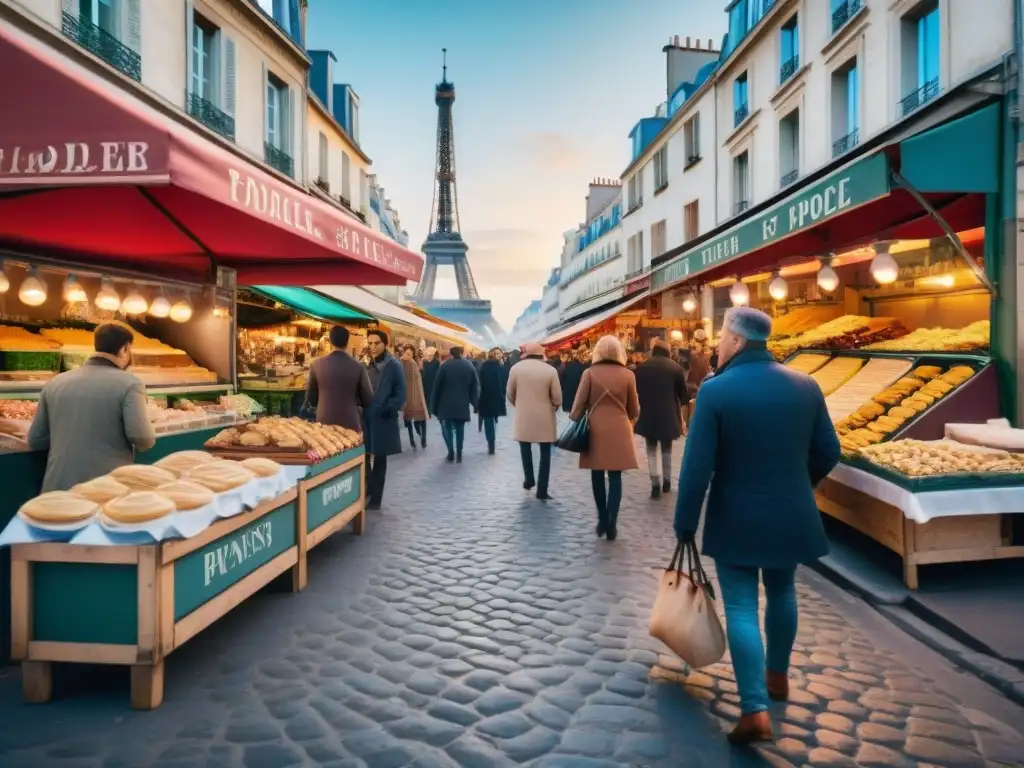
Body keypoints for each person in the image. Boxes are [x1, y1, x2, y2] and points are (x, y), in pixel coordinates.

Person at [673, 307, 841, 746]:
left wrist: (685, 522)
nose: (718, 345)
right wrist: (801, 483)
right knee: (783, 591)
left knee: (743, 608)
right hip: (791, 512)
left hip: (737, 515)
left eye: (722, 337)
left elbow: (696, 469)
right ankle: (778, 677)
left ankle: (755, 712)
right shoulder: (806, 385)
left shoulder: (716, 391)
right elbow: (829, 449)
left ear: (736, 340)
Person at [27, 322, 156, 492]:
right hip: (105, 490)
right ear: (125, 348)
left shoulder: (55, 382)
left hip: (58, 489)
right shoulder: (131, 384)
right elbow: (143, 439)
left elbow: (36, 440)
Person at [569, 336, 639, 540]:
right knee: (616, 476)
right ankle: (613, 523)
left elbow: (578, 406)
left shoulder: (589, 373)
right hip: (620, 429)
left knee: (597, 475)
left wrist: (574, 417)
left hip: (595, 428)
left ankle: (602, 517)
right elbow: (634, 409)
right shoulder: (628, 375)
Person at [633, 339, 688, 498]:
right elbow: (683, 397)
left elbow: (636, 391)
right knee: (666, 449)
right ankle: (667, 482)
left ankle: (655, 483)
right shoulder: (675, 368)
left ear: (653, 351)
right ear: (668, 351)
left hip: (648, 414)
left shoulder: (642, 368)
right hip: (668, 414)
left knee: (651, 449)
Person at [506, 342, 561, 500]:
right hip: (545, 416)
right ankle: (542, 490)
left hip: (524, 415)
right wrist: (554, 405)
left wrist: (520, 404)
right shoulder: (550, 371)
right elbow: (557, 397)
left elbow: (509, 393)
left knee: (525, 447)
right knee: (545, 452)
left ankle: (529, 479)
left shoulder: (515, 369)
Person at [363, 329, 406, 510]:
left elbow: (400, 394)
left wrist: (386, 407)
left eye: (376, 343)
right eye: (370, 343)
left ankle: (376, 499)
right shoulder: (367, 364)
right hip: (366, 418)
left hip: (383, 419)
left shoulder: (394, 365)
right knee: (364, 456)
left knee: (379, 459)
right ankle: (368, 489)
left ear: (384, 344)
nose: (372, 347)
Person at [303, 325, 373, 432]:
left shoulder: (316, 365)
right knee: (351, 448)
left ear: (330, 341)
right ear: (347, 342)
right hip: (350, 421)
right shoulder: (358, 367)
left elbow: (310, 399)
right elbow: (368, 399)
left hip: (324, 422)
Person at [430, 345, 479, 463]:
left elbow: (437, 387)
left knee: (447, 428)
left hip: (445, 404)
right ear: (462, 353)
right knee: (460, 428)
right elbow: (474, 387)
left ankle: (451, 451)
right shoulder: (469, 366)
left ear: (451, 355)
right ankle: (460, 453)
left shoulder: (444, 366)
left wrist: (434, 406)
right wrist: (475, 404)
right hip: (462, 404)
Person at [477, 348, 507, 454]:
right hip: (490, 397)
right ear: (492, 355)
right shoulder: (491, 366)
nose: (499, 355)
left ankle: (491, 442)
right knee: (490, 421)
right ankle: (491, 442)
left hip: (491, 397)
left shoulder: (498, 366)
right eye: (496, 353)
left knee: (490, 420)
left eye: (500, 353)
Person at [399, 345, 428, 450]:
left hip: (417, 394)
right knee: (408, 420)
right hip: (407, 395)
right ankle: (412, 440)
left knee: (421, 418)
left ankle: (423, 437)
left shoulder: (415, 363)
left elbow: (420, 379)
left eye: (410, 354)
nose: (408, 356)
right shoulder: (400, 364)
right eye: (406, 353)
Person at [560, 349, 584, 415]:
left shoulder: (564, 366)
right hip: (576, 397)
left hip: (567, 398)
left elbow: (561, 382)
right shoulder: (581, 366)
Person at [421, 347, 440, 417]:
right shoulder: (424, 362)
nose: (430, 356)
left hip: (433, 381)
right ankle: (428, 412)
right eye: (428, 355)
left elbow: (438, 372)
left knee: (433, 396)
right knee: (427, 397)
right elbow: (421, 371)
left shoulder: (437, 362)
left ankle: (434, 410)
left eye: (431, 355)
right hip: (426, 381)